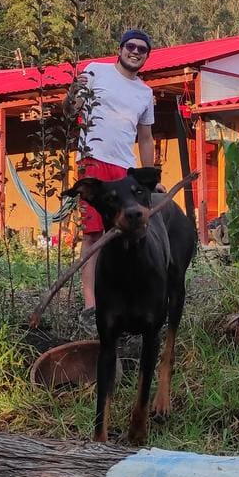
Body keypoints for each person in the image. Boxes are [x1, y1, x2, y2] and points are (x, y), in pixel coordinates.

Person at [64, 29, 158, 328]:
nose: (135, 51)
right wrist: (71, 93)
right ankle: (91, 305)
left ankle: (127, 301)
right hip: (93, 161)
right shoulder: (96, 71)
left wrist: (150, 178)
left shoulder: (145, 93)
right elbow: (71, 112)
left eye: (142, 49)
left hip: (125, 170)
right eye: (131, 46)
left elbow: (145, 138)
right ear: (120, 49)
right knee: (93, 234)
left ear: (147, 56)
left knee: (130, 235)